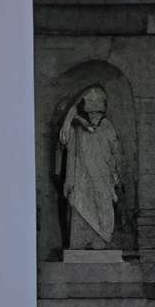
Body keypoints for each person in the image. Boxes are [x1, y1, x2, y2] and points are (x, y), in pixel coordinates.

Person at [57, 85, 122, 252]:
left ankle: (103, 240)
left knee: (104, 209)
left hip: (102, 179)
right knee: (81, 205)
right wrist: (70, 119)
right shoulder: (76, 130)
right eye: (91, 113)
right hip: (82, 180)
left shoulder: (107, 127)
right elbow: (66, 146)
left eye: (97, 113)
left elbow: (115, 152)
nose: (94, 116)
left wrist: (115, 174)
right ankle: (82, 242)